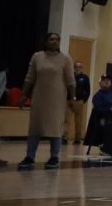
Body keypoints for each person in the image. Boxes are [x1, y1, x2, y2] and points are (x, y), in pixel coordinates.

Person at [18, 33, 76, 171]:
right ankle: (30, 157)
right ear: (45, 42)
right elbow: (29, 78)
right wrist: (24, 95)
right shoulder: (37, 57)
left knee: (55, 127)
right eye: (52, 39)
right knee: (35, 127)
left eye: (57, 39)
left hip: (57, 99)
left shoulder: (65, 58)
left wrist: (72, 98)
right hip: (39, 97)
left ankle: (54, 157)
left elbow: (71, 81)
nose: (55, 41)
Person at [84, 74, 112, 155]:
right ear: (100, 83)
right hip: (100, 120)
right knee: (109, 125)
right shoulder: (97, 96)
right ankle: (106, 148)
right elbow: (98, 110)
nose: (107, 81)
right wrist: (110, 109)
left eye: (108, 80)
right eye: (104, 80)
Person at [68, 61, 91, 145]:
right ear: (73, 67)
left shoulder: (85, 78)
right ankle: (64, 137)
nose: (77, 68)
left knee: (78, 121)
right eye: (76, 66)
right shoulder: (70, 76)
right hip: (69, 101)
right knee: (66, 120)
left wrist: (83, 100)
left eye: (79, 66)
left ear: (82, 68)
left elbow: (88, 90)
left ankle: (77, 139)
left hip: (79, 101)